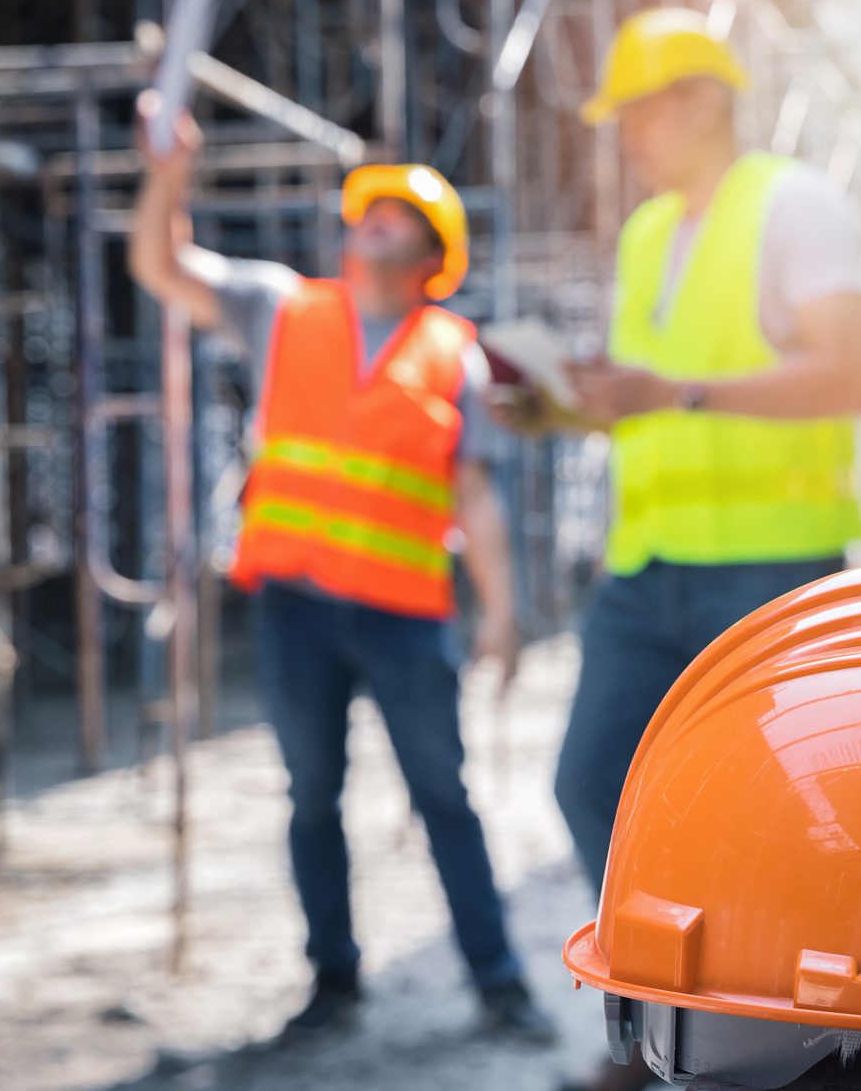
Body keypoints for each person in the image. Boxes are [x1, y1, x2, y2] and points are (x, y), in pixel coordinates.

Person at [499, 8, 861, 1091]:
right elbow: (642, 401)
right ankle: (649, 1036)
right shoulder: (646, 236)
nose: (622, 137)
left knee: (782, 823)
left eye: (637, 112)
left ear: (704, 101)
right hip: (646, 570)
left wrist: (679, 392)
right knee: (591, 788)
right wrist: (563, 409)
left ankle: (789, 1042)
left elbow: (847, 375)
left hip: (767, 570)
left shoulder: (792, 207)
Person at [129, 100, 554, 1044]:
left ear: (429, 251)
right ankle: (334, 980)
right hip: (297, 610)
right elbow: (161, 264)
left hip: (405, 618)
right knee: (311, 797)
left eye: (394, 214)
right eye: (369, 211)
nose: (371, 222)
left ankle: (499, 982)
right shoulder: (285, 309)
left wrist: (502, 613)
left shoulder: (460, 358)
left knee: (443, 797)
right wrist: (170, 172)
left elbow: (473, 493)